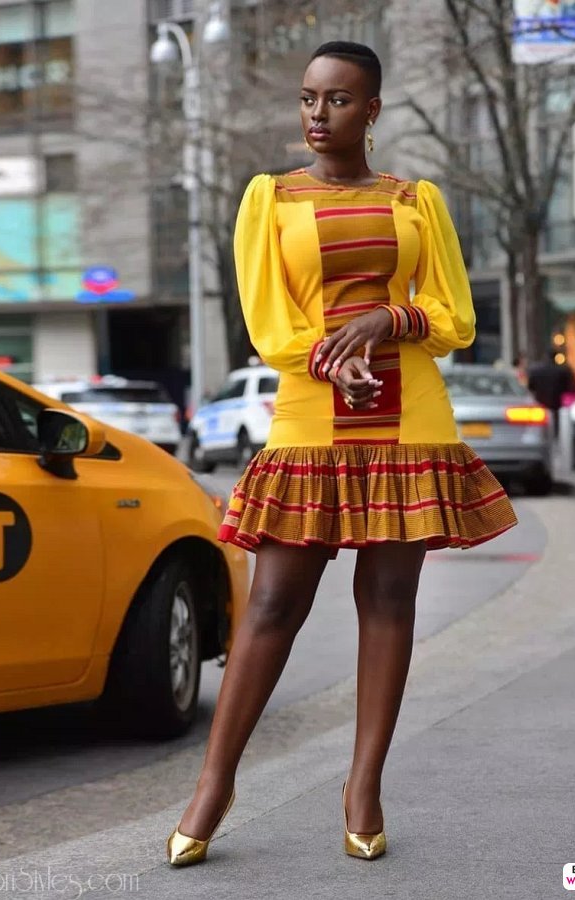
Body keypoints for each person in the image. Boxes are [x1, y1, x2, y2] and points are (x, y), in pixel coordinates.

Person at [166, 40, 518, 867]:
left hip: (411, 418)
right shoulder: (270, 200)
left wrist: (386, 322)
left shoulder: (416, 200)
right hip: (314, 414)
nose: (318, 115)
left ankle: (363, 788)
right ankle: (214, 784)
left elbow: (452, 316)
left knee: (390, 603)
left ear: (373, 110)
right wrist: (337, 357)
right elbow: (271, 322)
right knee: (274, 602)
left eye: (338, 100)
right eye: (308, 99)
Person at [527, 350, 575, 435]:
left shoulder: (535, 371)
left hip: (540, 402)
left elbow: (530, 387)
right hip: (556, 402)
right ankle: (555, 435)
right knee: (555, 425)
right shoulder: (563, 371)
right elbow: (571, 387)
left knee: (540, 426)